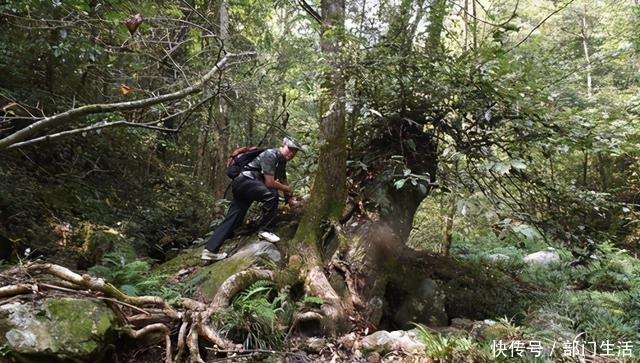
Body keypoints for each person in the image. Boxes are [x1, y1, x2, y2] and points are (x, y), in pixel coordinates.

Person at [201, 136, 303, 261]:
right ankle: (265, 230)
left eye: (295, 152)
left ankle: (210, 250)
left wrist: (290, 198)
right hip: (245, 181)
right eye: (290, 149)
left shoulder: (281, 162)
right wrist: (287, 189)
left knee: (234, 219)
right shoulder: (271, 154)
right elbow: (270, 183)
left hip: (246, 185)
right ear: (283, 146)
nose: (292, 153)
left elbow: (283, 180)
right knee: (271, 194)